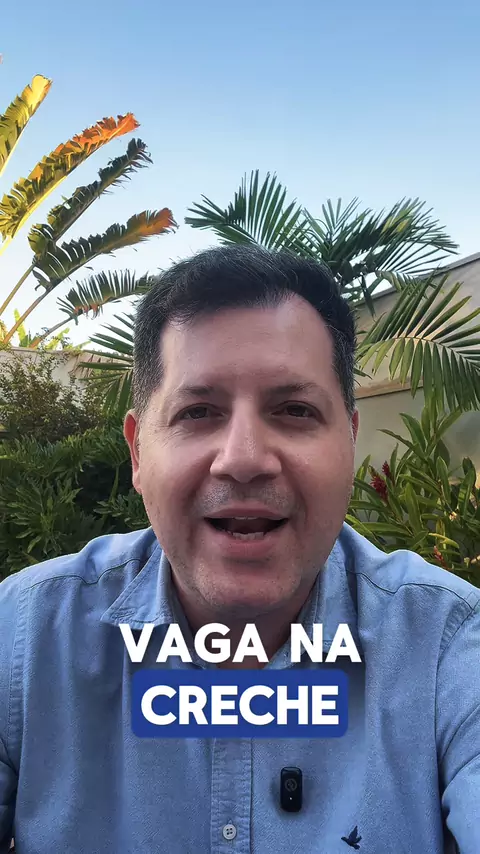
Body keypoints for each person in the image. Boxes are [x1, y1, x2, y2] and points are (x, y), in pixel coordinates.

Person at [0, 245, 478, 854]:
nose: (244, 458)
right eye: (198, 412)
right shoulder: (23, 637)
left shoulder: (448, 645)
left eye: (295, 410)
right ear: (138, 452)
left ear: (350, 443)